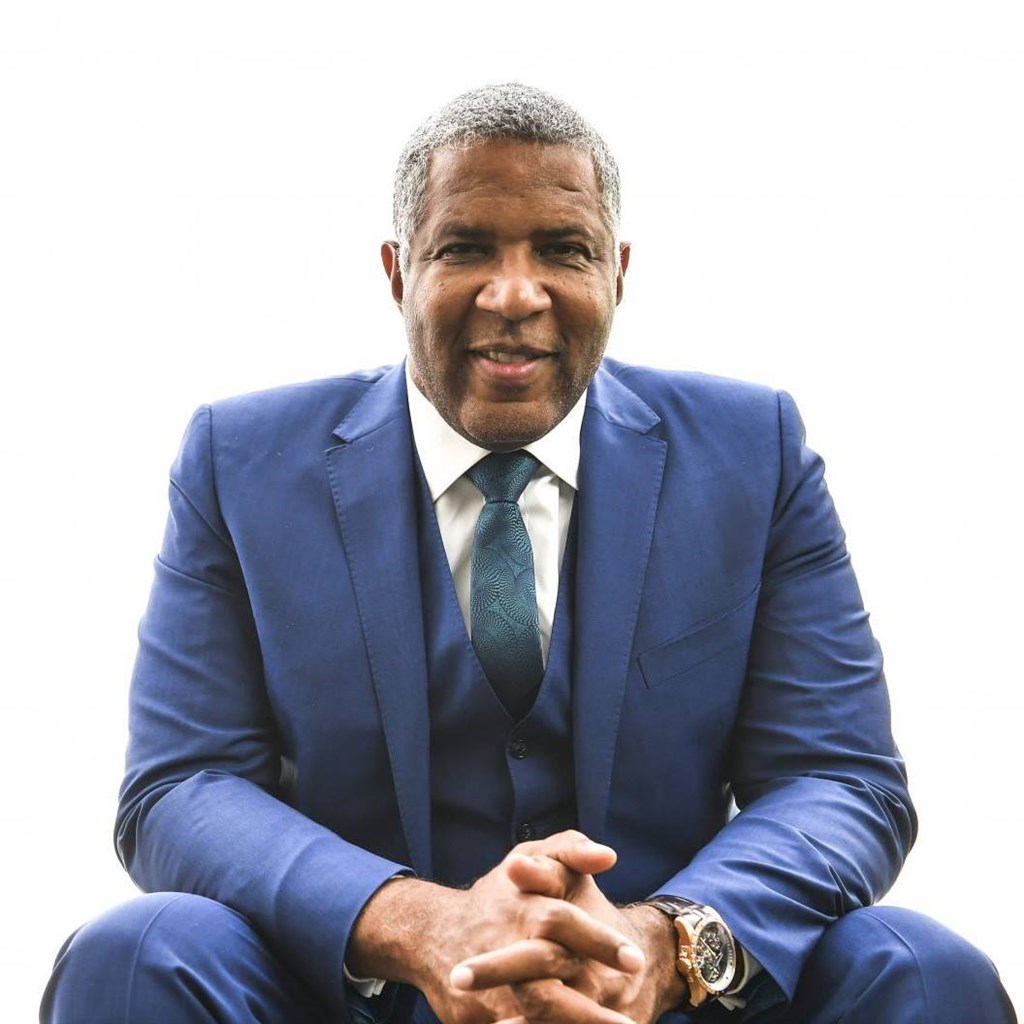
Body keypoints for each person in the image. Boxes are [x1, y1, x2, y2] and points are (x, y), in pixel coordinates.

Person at [41, 83, 1015, 1024]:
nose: (514, 293)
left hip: (660, 1002)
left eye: (562, 249)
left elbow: (839, 778)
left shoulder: (753, 453)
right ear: (397, 271)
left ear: (617, 272)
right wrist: (418, 925)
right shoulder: (239, 462)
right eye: (464, 247)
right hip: (354, 998)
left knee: (920, 968)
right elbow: (182, 785)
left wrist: (665, 947)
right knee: (136, 950)